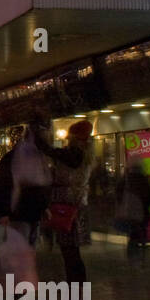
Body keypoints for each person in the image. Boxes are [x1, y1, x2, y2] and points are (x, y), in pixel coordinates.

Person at [38, 120, 93, 283]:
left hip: (68, 206)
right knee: (71, 252)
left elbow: (51, 152)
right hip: (73, 204)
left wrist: (37, 136)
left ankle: (76, 290)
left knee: (70, 252)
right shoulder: (83, 153)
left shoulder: (75, 154)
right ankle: (77, 290)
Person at [118, 156, 150, 264]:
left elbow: (118, 194)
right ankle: (141, 256)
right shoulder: (144, 180)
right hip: (142, 214)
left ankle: (132, 256)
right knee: (141, 233)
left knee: (132, 235)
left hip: (129, 213)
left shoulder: (125, 179)